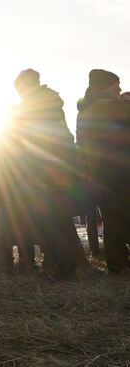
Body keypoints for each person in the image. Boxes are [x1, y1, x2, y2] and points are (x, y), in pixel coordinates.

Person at [0, 69, 81, 279]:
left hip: (44, 172)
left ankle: (60, 268)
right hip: (54, 169)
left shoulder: (36, 105)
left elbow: (33, 143)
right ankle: (61, 266)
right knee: (57, 220)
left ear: (24, 87)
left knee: (51, 222)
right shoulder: (46, 102)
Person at [76, 69, 130, 273]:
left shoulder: (85, 111)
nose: (120, 89)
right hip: (120, 171)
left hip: (98, 175)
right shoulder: (111, 106)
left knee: (113, 220)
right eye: (117, 85)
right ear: (107, 85)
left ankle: (118, 263)